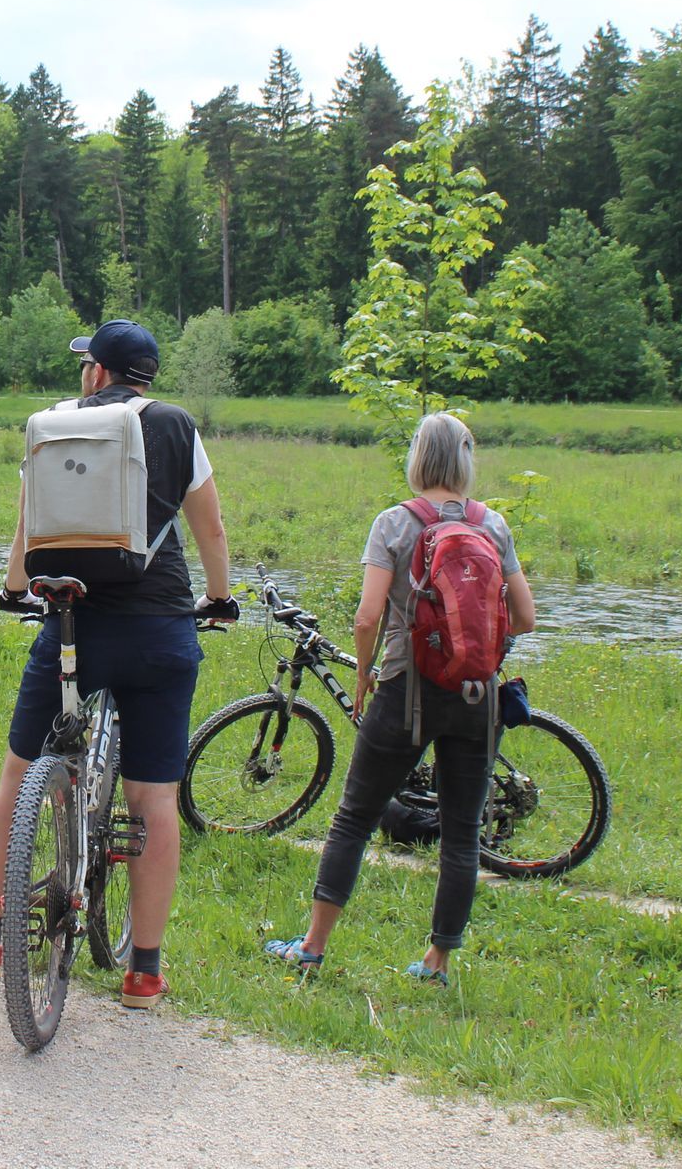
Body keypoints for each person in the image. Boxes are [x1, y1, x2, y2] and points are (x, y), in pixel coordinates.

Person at [0, 320, 235, 1011]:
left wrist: (13, 588)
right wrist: (220, 598)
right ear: (145, 375)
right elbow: (209, 527)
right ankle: (144, 969)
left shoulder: (51, 425)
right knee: (152, 798)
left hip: (72, 626)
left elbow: (29, 527)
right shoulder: (177, 427)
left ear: (96, 372)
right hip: (157, 630)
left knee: (18, 775)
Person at [262, 411, 537, 987]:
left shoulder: (394, 522)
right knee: (461, 834)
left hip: (405, 693)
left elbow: (367, 617)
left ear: (417, 458)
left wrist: (365, 675)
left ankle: (312, 947)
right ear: (466, 460)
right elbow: (526, 618)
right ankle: (436, 964)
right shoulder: (495, 526)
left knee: (354, 818)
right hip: (478, 699)